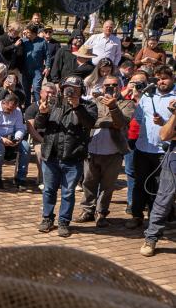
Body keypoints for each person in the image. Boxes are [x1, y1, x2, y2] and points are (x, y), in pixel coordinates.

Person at [34, 77, 98, 237]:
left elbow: (90, 123)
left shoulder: (89, 105)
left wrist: (77, 107)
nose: (69, 91)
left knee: (68, 192)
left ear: (81, 90)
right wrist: (42, 113)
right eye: (67, 88)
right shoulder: (54, 103)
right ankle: (47, 219)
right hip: (51, 156)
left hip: (72, 156)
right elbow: (39, 125)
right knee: (48, 190)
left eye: (74, 89)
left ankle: (64, 222)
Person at [75, 76, 133, 228]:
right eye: (108, 85)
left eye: (114, 85)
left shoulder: (127, 103)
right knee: (88, 183)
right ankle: (87, 210)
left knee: (107, 186)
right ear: (102, 87)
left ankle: (101, 213)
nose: (111, 87)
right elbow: (89, 122)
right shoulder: (94, 102)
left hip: (113, 152)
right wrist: (108, 122)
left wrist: (113, 108)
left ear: (120, 86)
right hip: (92, 149)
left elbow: (120, 123)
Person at [128, 65, 176, 229]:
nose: (161, 81)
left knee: (161, 187)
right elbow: (139, 119)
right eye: (158, 78)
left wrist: (163, 123)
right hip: (143, 148)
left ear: (172, 78)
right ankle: (136, 215)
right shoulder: (147, 96)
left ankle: (157, 219)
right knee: (139, 183)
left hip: (166, 151)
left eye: (165, 78)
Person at [0, 92, 30, 189]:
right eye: (9, 109)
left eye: (13, 109)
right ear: (3, 103)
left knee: (26, 147)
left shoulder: (17, 110)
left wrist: (17, 138)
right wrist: (1, 139)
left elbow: (20, 128)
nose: (11, 112)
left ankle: (21, 178)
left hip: (11, 137)